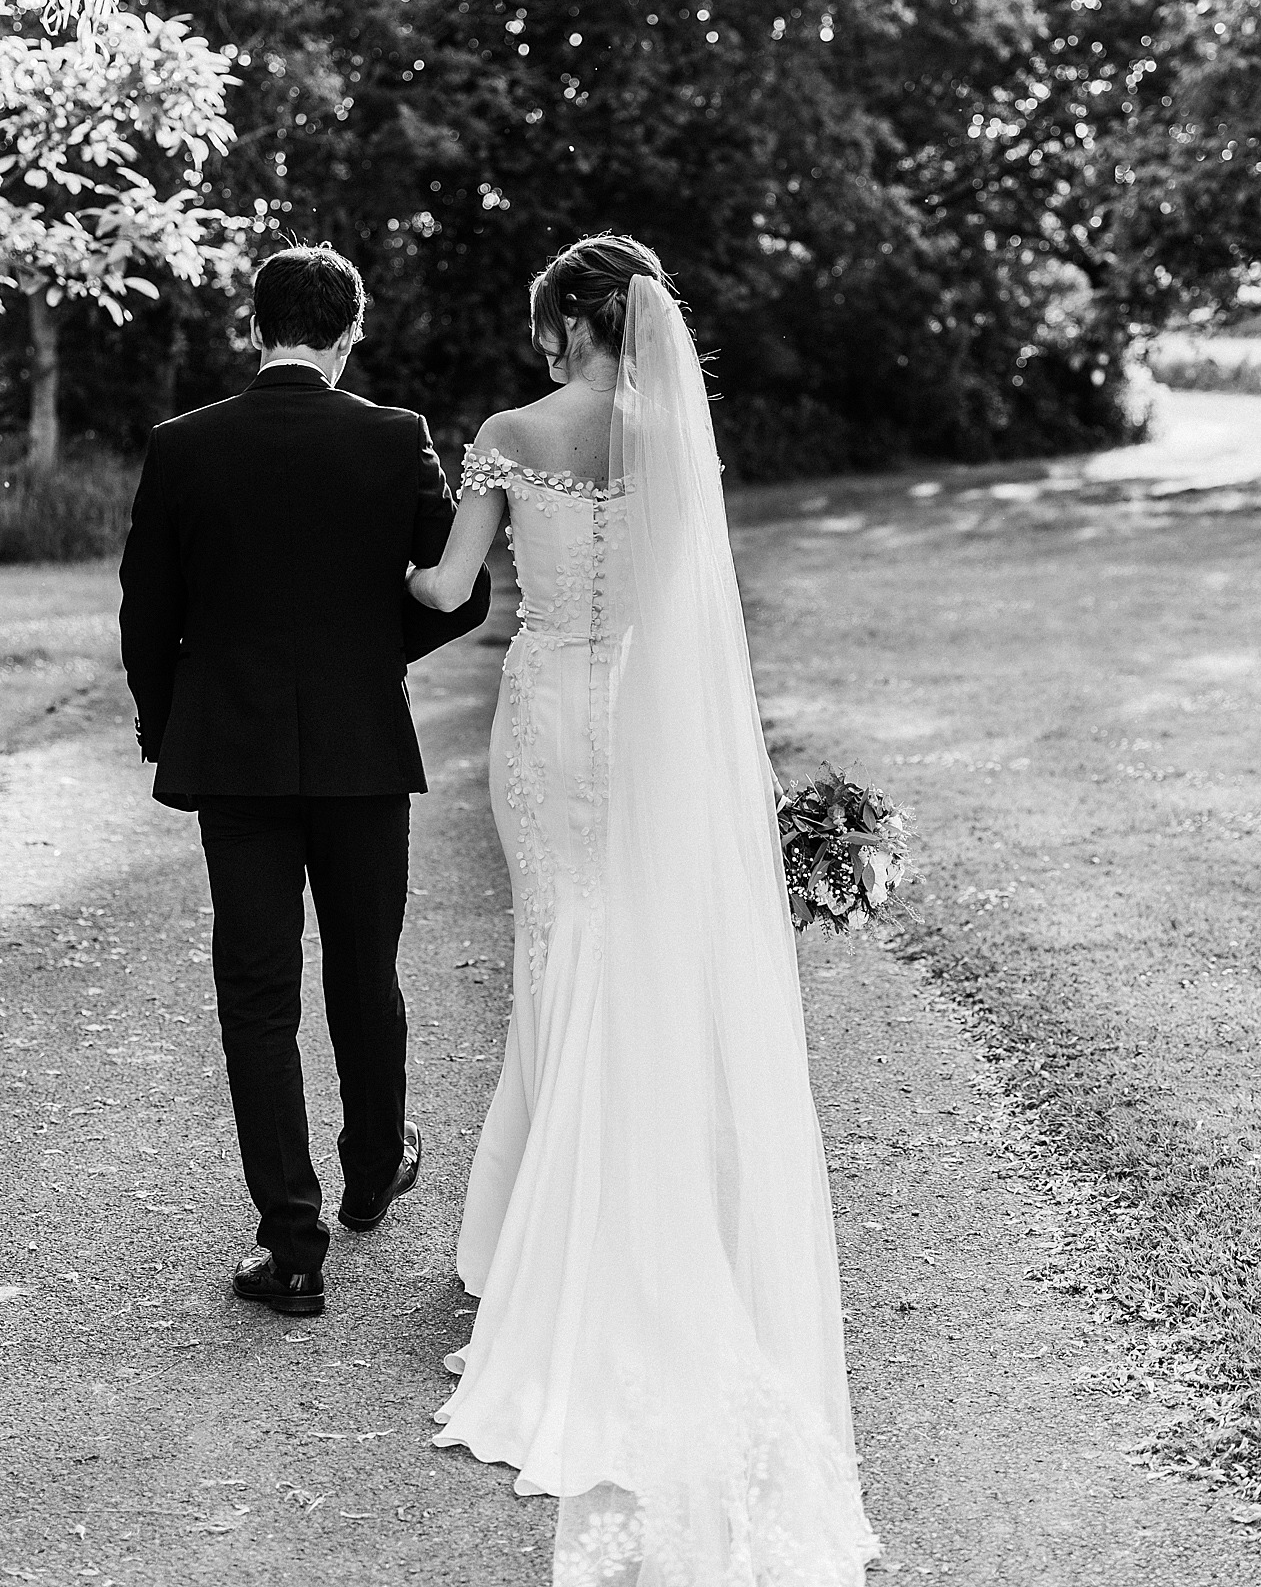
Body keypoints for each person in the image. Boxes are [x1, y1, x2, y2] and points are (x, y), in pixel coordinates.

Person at [407, 235, 879, 1584]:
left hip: (549, 711)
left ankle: (543, 1248)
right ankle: (641, 1210)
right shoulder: (673, 436)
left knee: (557, 948)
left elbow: (451, 590)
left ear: (567, 324)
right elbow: (689, 610)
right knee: (628, 953)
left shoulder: (510, 429)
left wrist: (370, 582)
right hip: (649, 720)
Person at [117, 246, 491, 1317]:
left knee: (257, 992)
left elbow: (147, 609)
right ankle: (374, 1172)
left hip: (230, 755)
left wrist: (167, 725)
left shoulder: (184, 444)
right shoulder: (393, 436)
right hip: (361, 748)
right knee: (363, 967)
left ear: (253, 324)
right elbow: (458, 596)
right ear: (350, 328)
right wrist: (371, 658)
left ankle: (290, 1243)